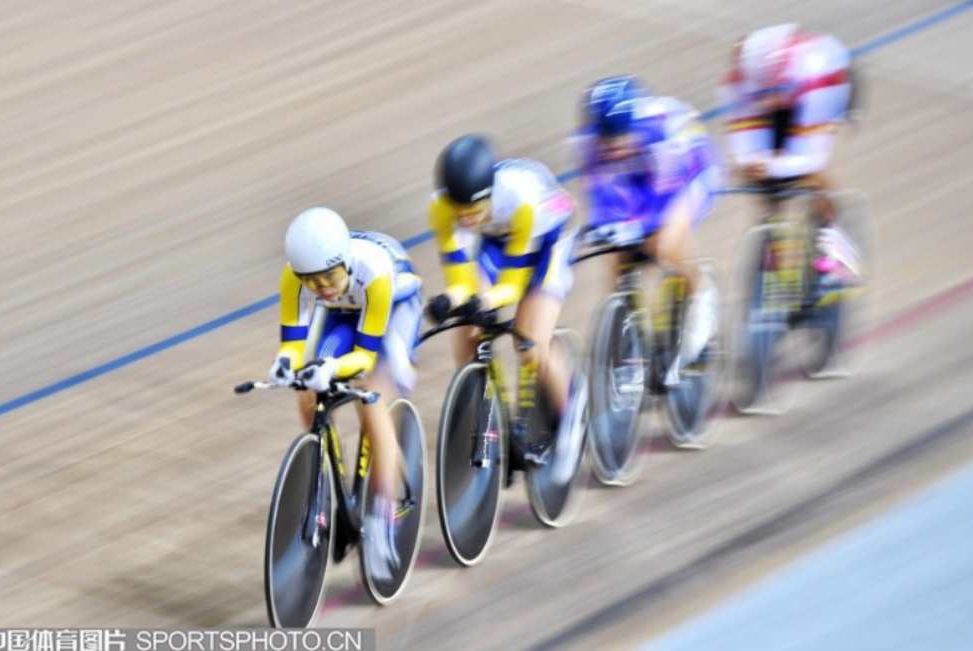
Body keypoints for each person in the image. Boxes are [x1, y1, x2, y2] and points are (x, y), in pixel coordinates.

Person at [268, 207, 423, 581]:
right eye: (312, 282)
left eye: (329, 276)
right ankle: (329, 475)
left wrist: (333, 367)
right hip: (345, 311)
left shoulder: (374, 272)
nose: (322, 288)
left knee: (372, 396)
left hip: (393, 310)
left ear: (346, 262)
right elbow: (293, 343)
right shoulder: (295, 277)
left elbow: (365, 357)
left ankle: (384, 515)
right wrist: (284, 362)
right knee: (308, 392)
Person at [425, 134, 578, 472]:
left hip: (546, 241)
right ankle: (483, 416)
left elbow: (511, 286)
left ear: (490, 195)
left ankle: (571, 423)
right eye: (460, 212)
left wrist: (483, 300)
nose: (466, 219)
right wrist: (448, 300)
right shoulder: (440, 207)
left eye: (474, 211)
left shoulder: (521, 201)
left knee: (530, 343)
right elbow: (461, 278)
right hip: (498, 239)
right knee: (468, 332)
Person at [569, 76, 724, 383]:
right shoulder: (586, 144)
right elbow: (601, 198)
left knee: (663, 243)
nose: (613, 146)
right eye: (606, 139)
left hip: (692, 172)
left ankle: (701, 294)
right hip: (642, 174)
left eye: (620, 137)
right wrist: (607, 228)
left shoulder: (657, 133)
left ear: (633, 125)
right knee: (617, 257)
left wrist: (635, 229)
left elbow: (663, 205)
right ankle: (625, 336)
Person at [719, 24, 865, 292]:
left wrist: (773, 165)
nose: (768, 102)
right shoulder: (740, 78)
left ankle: (833, 236)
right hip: (787, 90)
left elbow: (810, 158)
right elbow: (744, 134)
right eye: (763, 96)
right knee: (766, 182)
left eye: (773, 96)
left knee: (811, 174)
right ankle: (773, 245)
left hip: (829, 88)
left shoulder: (816, 78)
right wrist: (749, 163)